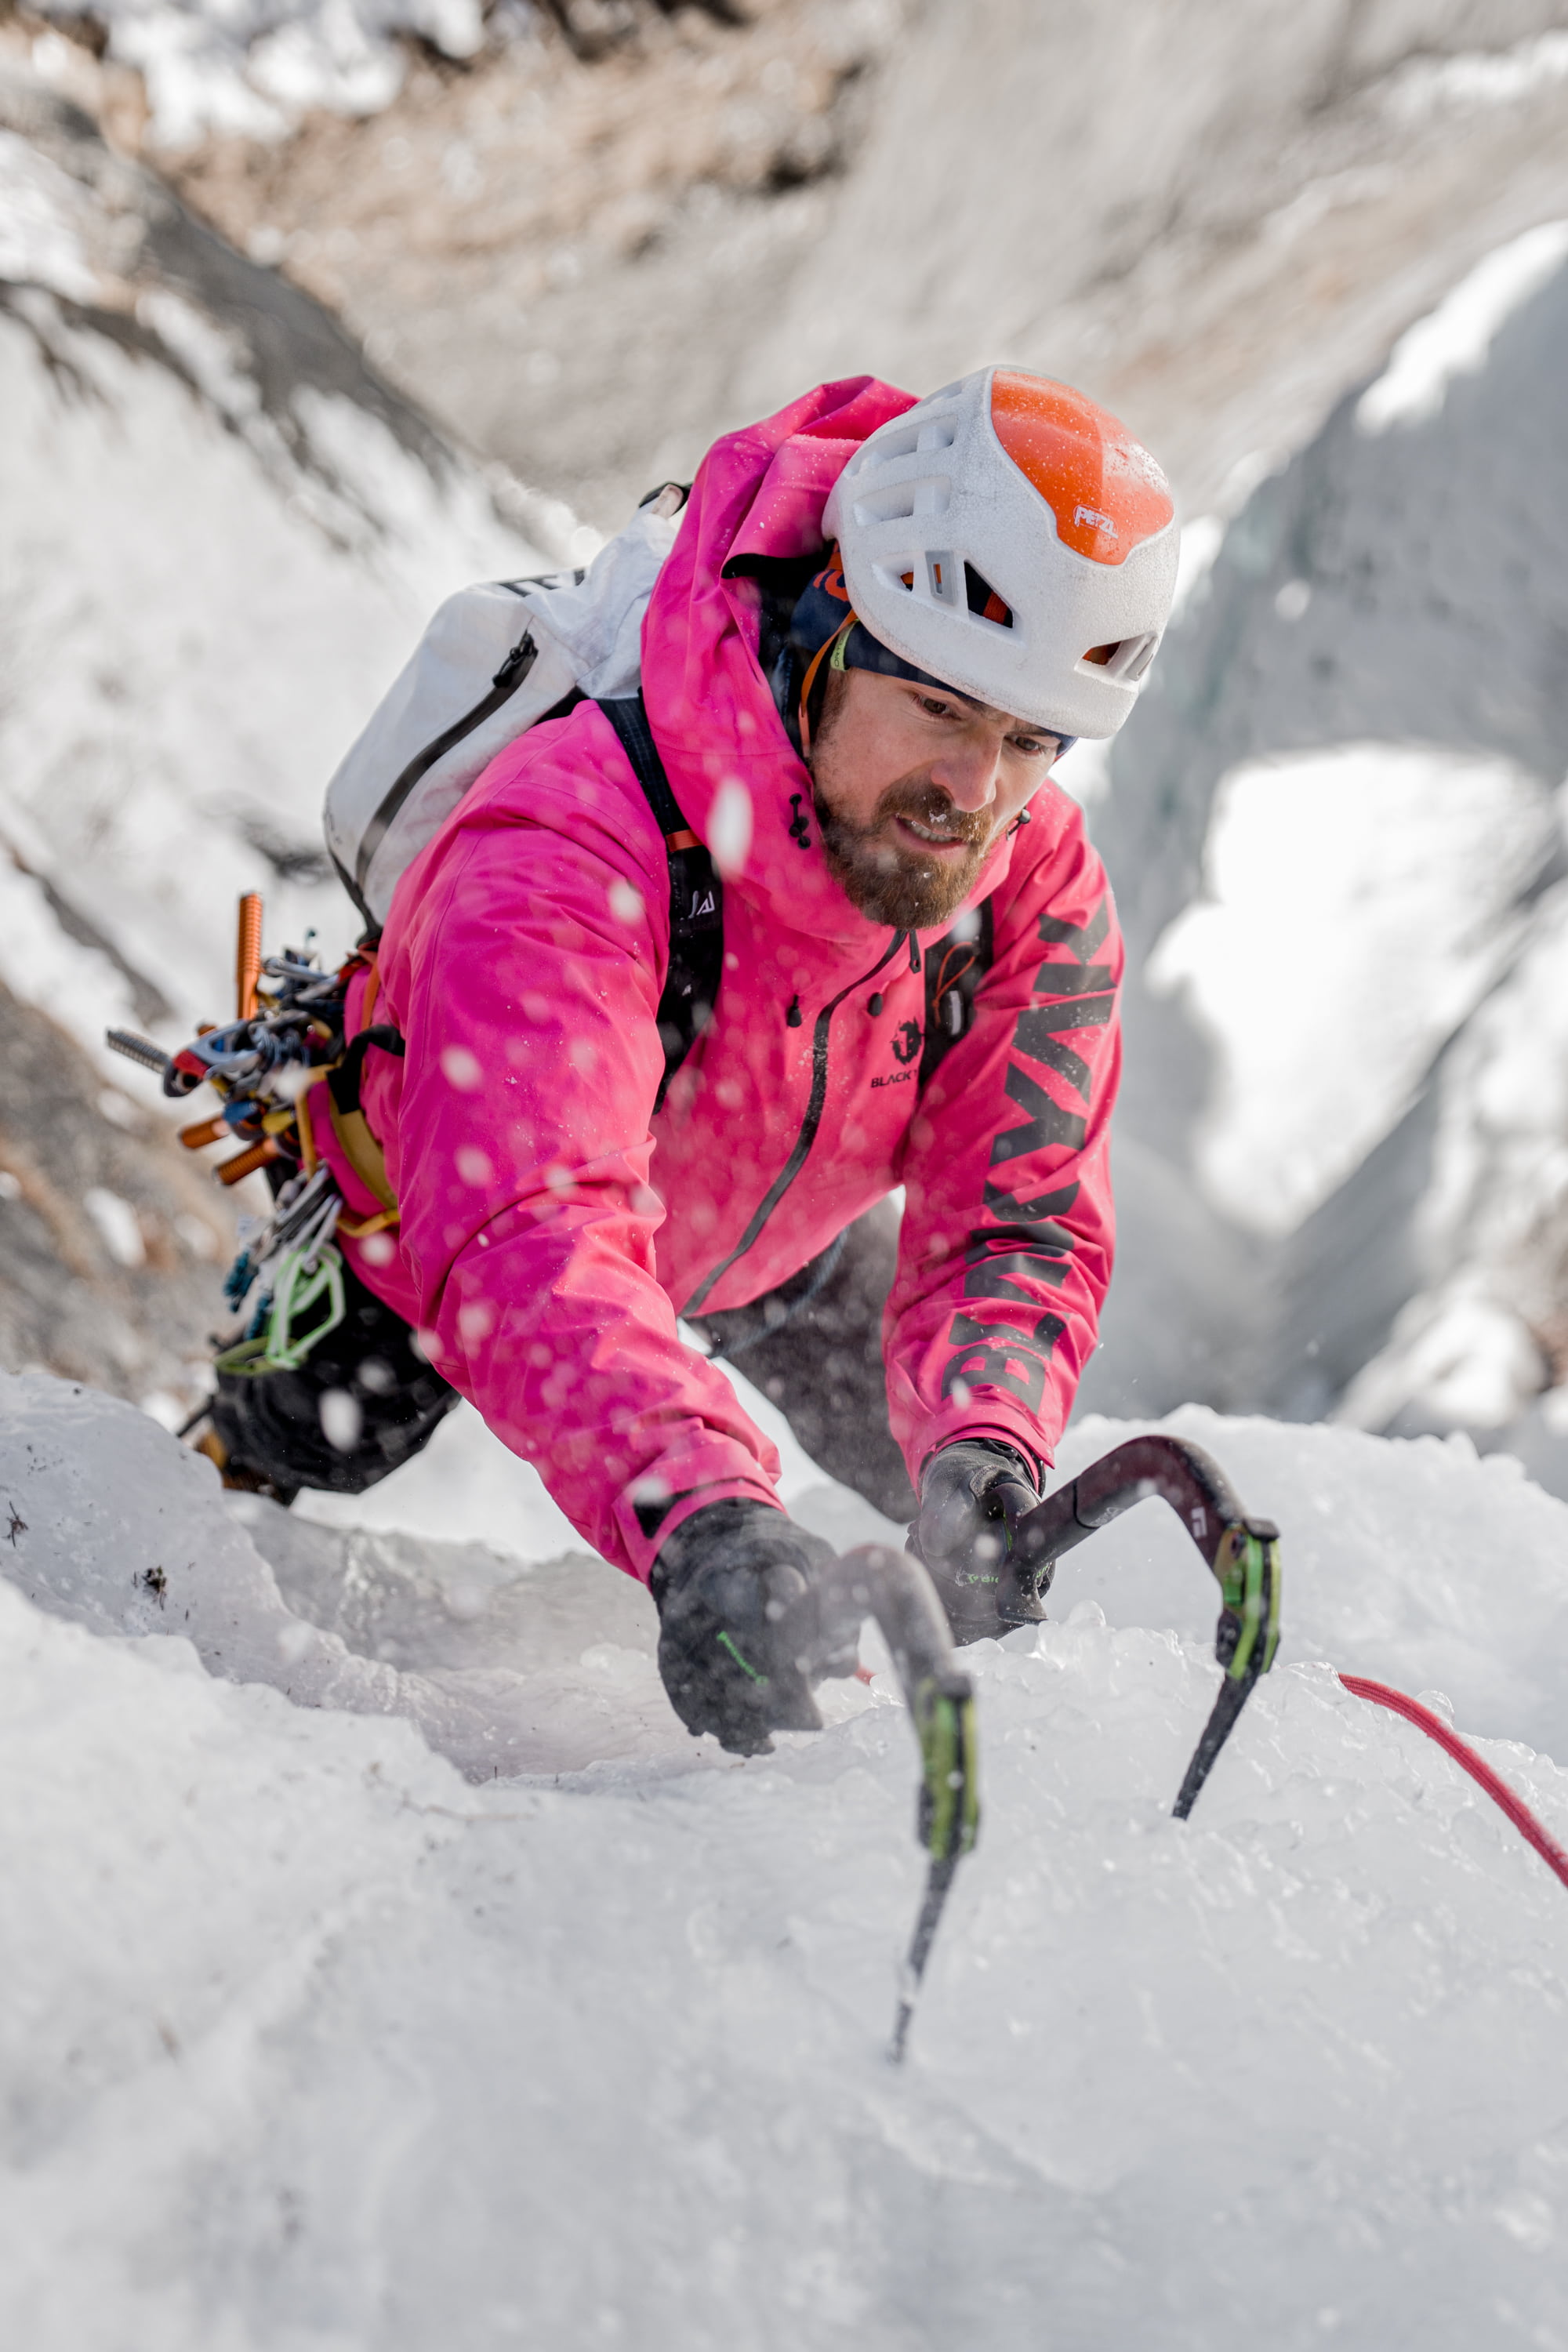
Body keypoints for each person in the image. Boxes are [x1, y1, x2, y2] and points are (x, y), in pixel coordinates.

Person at [210, 366, 1179, 1754]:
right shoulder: (571, 833)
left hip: (776, 1245)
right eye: (941, 710)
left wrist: (988, 1447)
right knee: (298, 1439)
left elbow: (1012, 1220)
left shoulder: (1032, 882)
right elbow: (531, 1223)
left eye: (1030, 740)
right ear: (833, 632)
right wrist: (701, 1513)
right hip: (437, 1241)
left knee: (964, 1517)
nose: (974, 793)